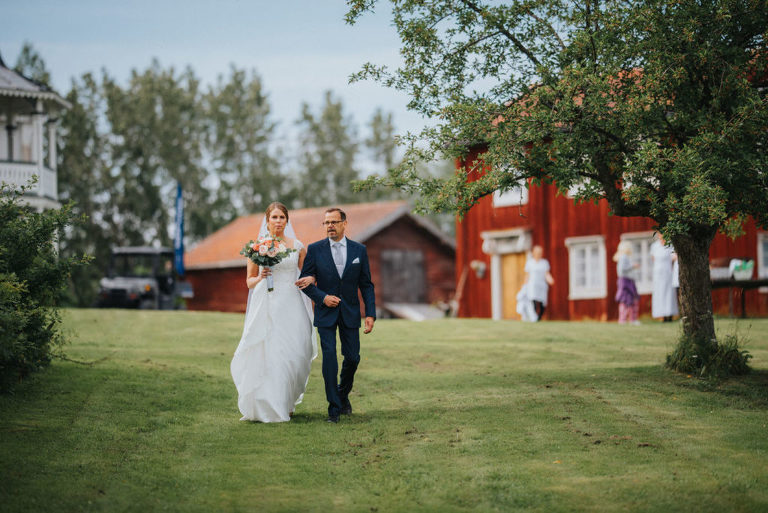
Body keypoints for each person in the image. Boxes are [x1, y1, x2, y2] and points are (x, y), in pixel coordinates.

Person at [230, 202, 317, 423]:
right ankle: (268, 403)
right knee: (269, 351)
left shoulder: (298, 246)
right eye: (274, 217)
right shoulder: (256, 247)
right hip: (266, 302)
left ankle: (287, 401)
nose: (278, 221)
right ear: (267, 221)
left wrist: (311, 279)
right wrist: (261, 277)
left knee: (295, 352)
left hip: (291, 302)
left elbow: (308, 274)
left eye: (282, 217)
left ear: (287, 221)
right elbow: (249, 281)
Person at [297, 207, 376, 424]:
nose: (329, 226)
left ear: (344, 223)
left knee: (353, 358)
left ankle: (342, 394)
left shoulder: (359, 250)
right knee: (330, 358)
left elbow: (366, 285)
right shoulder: (315, 249)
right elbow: (304, 282)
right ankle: (334, 408)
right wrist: (322, 298)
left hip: (350, 312)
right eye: (326, 223)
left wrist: (370, 313)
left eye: (334, 222)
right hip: (326, 313)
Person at [650, 234, 679, 322]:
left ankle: (669, 314)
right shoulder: (655, 246)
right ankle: (661, 314)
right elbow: (653, 258)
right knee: (659, 293)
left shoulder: (670, 245)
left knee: (669, 293)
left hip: (668, 271)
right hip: (658, 272)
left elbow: (674, 257)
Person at [523, 245, 555, 321]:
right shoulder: (530, 263)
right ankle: (533, 316)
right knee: (533, 299)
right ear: (533, 253)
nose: (538, 254)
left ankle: (539, 317)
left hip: (541, 285)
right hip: (532, 285)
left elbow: (546, 274)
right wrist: (525, 284)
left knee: (542, 301)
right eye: (537, 252)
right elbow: (527, 275)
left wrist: (550, 280)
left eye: (540, 253)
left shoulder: (544, 263)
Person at [613, 241, 641, 325]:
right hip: (626, 281)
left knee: (629, 300)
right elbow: (622, 269)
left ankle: (627, 319)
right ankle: (627, 319)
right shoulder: (624, 257)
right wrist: (633, 266)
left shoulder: (624, 257)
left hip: (626, 280)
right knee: (627, 300)